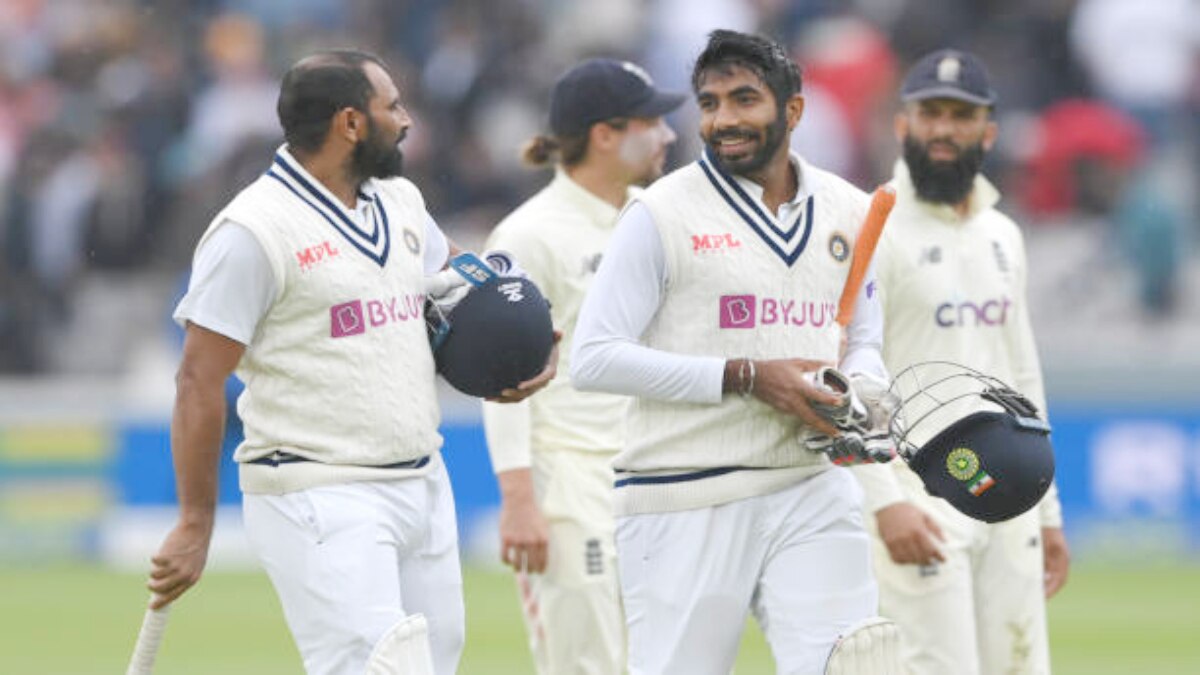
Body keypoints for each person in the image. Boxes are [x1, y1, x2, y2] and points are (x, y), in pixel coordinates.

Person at [144, 49, 554, 675]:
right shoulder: (251, 231)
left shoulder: (399, 202)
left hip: (422, 476)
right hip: (317, 489)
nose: (408, 119)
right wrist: (195, 522)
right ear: (351, 123)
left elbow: (457, 282)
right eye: (393, 106)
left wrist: (517, 344)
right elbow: (198, 381)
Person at [570, 30, 890, 674]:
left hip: (810, 486)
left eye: (745, 99)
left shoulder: (852, 210)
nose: (724, 120)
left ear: (792, 111)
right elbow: (594, 358)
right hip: (684, 494)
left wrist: (858, 394)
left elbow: (864, 342)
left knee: (854, 664)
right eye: (710, 103)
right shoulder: (659, 213)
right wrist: (747, 377)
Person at [851, 49, 1070, 675]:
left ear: (989, 131)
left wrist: (1046, 509)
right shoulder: (873, 224)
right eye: (929, 114)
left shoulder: (1002, 234)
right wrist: (882, 501)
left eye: (960, 115)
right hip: (920, 494)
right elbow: (848, 374)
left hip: (1008, 495)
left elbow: (1021, 375)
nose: (943, 130)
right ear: (902, 125)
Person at [481, 58, 684, 674]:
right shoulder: (528, 236)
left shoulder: (660, 216)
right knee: (586, 663)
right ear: (605, 134)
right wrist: (519, 500)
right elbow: (500, 376)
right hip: (567, 481)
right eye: (653, 121)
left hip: (656, 473)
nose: (669, 135)